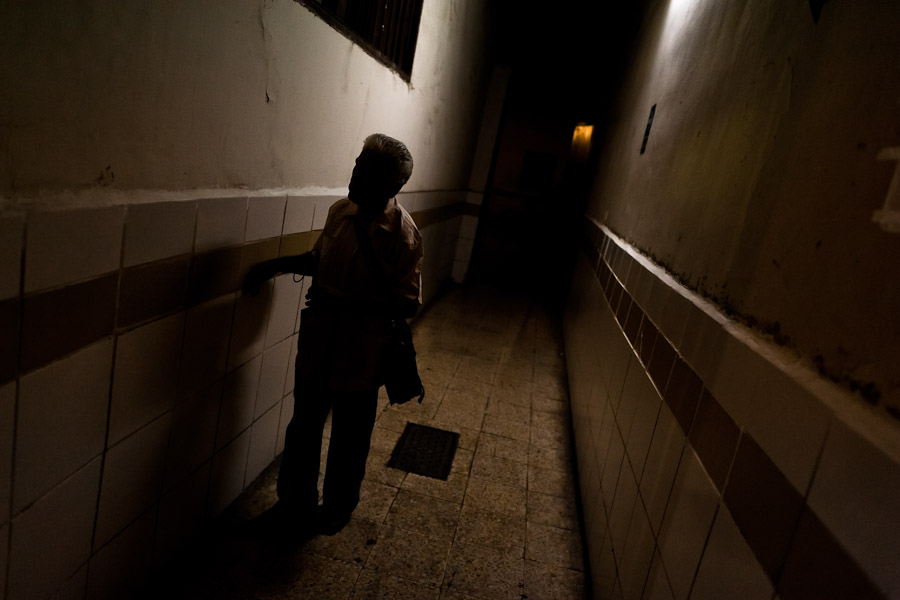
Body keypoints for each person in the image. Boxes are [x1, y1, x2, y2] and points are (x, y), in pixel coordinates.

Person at [243, 133, 423, 539]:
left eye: (368, 173)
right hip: (319, 343)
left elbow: (407, 304)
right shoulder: (341, 211)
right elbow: (319, 259)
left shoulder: (404, 235)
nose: (355, 176)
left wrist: (340, 301)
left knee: (349, 436)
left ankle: (337, 510)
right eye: (357, 165)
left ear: (393, 185)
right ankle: (292, 504)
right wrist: (269, 266)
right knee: (303, 426)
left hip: (361, 355)